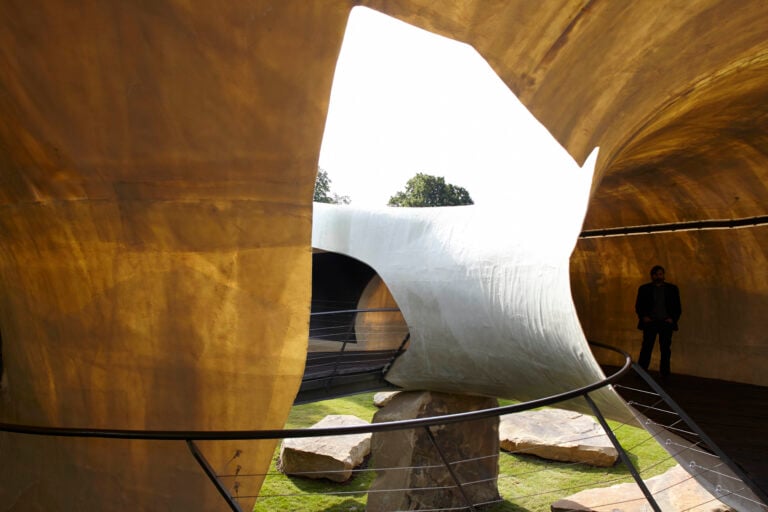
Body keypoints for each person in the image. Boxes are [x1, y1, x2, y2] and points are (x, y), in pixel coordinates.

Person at [634, 265, 682, 377]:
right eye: (656, 274)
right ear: (652, 276)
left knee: (665, 349)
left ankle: (665, 373)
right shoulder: (644, 289)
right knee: (646, 347)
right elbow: (639, 305)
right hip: (651, 322)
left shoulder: (672, 289)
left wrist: (672, 319)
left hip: (665, 322)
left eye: (660, 274)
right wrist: (644, 317)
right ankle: (642, 373)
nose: (659, 276)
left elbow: (677, 306)